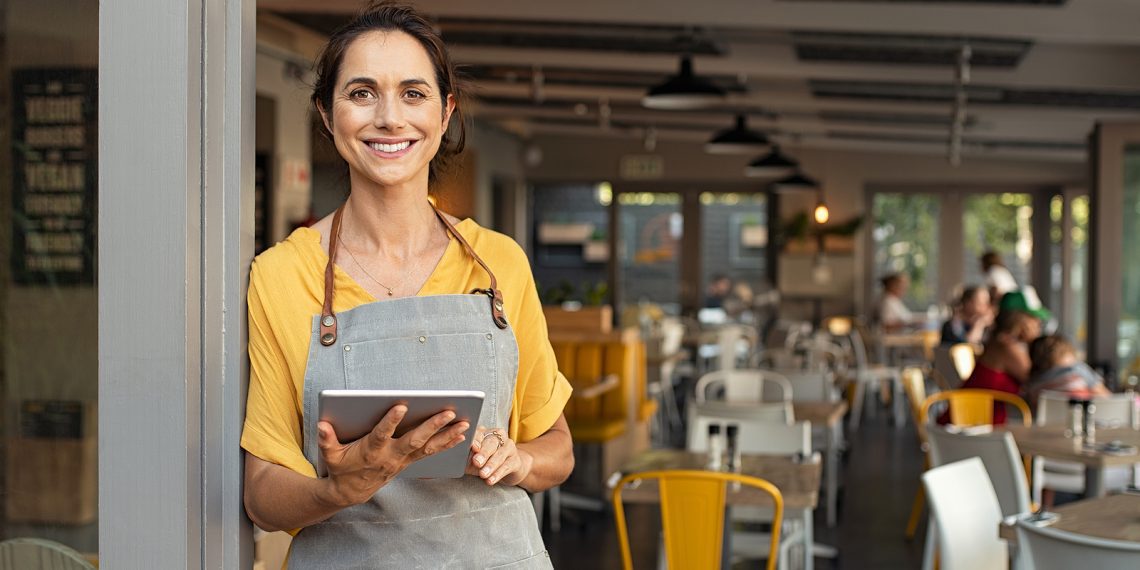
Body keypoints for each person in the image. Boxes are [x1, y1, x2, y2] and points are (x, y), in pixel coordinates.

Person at [240, 4, 572, 567]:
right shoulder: (282, 275)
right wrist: (338, 489)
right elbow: (262, 494)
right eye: (362, 93)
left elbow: (556, 447)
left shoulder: (497, 265)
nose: (390, 118)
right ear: (327, 113)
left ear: (445, 114)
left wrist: (517, 461)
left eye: (414, 94)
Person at [958, 309, 1041, 424]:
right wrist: (1037, 342)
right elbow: (1036, 378)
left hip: (974, 419)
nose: (1038, 328)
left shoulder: (998, 342)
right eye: (1035, 324)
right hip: (971, 424)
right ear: (1022, 323)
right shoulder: (1007, 346)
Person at [1026, 335, 1110, 409]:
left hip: (1047, 426)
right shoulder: (1077, 370)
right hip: (1081, 422)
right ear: (1067, 353)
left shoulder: (1033, 383)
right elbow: (1106, 398)